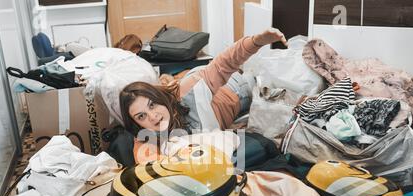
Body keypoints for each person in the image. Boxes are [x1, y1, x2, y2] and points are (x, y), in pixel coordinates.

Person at [118, 28, 288, 164]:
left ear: (159, 99)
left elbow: (224, 63)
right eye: (141, 116)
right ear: (136, 123)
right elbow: (148, 163)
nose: (152, 116)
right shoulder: (144, 134)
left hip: (235, 89)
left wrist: (256, 41)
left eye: (152, 105)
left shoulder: (190, 93)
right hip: (193, 84)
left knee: (255, 89)